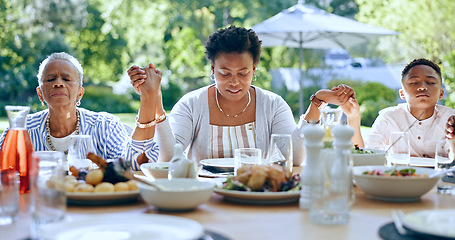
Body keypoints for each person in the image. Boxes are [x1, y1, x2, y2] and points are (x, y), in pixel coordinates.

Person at [128, 26, 362, 165]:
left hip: (256, 193)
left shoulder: (272, 104)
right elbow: (170, 159)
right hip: (205, 197)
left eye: (243, 73)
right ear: (212, 70)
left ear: (254, 71)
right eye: (225, 73)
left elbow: (295, 157)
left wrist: (317, 102)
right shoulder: (191, 104)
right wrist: (155, 98)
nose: (234, 82)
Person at [0, 52, 161, 170]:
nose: (58, 83)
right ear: (40, 93)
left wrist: (149, 96)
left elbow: (132, 164)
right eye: (50, 79)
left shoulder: (104, 125)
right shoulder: (20, 130)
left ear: (80, 93)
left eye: (66, 79)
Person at [365, 58, 455, 158]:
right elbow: (368, 153)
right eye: (414, 82)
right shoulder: (388, 118)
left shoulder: (451, 119)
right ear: (402, 93)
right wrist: (354, 117)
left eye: (430, 82)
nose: (422, 87)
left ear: (441, 93)